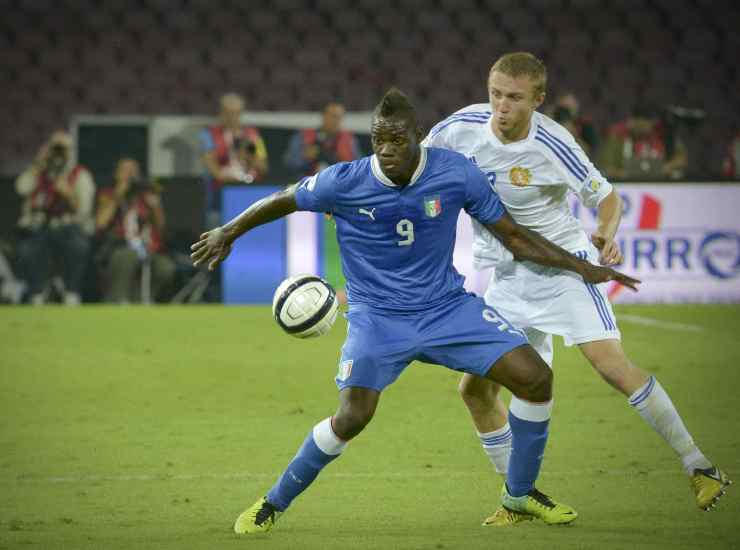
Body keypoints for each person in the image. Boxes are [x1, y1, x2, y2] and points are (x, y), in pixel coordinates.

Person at [191, 88, 640, 534]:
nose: (386, 151)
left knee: (536, 378)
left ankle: (519, 495)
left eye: (397, 141)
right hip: (378, 319)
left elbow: (515, 237)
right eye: (377, 140)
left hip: (446, 309)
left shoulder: (455, 174)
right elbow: (284, 198)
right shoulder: (344, 180)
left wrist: (583, 267)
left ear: (419, 137)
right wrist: (228, 232)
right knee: (352, 416)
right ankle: (272, 503)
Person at [423, 52, 730, 525]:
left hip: (564, 271)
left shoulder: (553, 143)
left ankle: (700, 466)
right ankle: (518, 497)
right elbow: (416, 166)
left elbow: (606, 196)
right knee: (475, 392)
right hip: (508, 277)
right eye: (496, 94)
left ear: (538, 100)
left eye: (515, 98)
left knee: (610, 365)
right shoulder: (459, 127)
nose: (501, 107)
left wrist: (607, 231)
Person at [15, 131, 95, 305]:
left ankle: (72, 292)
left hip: (68, 227)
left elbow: (85, 210)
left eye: (62, 149)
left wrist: (67, 193)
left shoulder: (80, 175)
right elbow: (21, 188)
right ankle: (37, 291)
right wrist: (38, 162)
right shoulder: (39, 172)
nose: (58, 153)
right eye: (55, 148)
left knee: (78, 246)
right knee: (27, 248)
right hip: (40, 227)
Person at [95, 158, 175, 303]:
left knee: (165, 268)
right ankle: (118, 300)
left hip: (146, 247)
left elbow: (161, 228)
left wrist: (156, 207)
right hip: (119, 246)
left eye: (133, 171)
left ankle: (143, 299)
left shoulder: (146, 195)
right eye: (125, 171)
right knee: (128, 257)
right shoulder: (108, 194)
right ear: (116, 174)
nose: (130, 175)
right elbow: (101, 223)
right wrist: (118, 196)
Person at [200, 93, 269, 228]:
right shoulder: (208, 135)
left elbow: (263, 167)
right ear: (220, 113)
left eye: (236, 113)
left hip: (249, 194)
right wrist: (235, 178)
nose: (232, 117)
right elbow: (214, 171)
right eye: (228, 113)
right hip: (220, 197)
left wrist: (248, 155)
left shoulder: (253, 135)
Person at [599, 104, 688, 180]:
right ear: (631, 121)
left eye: (646, 125)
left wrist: (664, 168)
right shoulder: (617, 138)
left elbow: (681, 159)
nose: (642, 128)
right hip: (627, 185)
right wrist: (627, 174)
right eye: (638, 124)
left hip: (660, 184)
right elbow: (606, 168)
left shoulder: (664, 137)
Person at [282, 102, 362, 177]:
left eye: (340, 117)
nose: (336, 121)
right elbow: (289, 162)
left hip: (339, 185)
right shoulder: (303, 136)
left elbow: (359, 168)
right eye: (333, 116)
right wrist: (304, 157)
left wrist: (345, 162)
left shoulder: (350, 140)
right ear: (323, 116)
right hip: (307, 183)